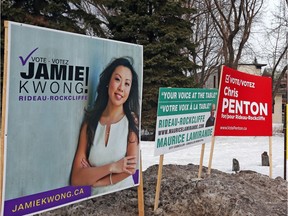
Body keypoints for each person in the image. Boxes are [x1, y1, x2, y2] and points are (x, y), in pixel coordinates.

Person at [71, 57, 140, 196]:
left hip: (126, 197)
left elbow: (130, 170)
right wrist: (113, 167)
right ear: (108, 82)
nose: (121, 88)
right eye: (117, 79)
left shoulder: (131, 123)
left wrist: (97, 179)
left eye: (127, 84)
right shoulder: (90, 124)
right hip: (95, 204)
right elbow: (77, 178)